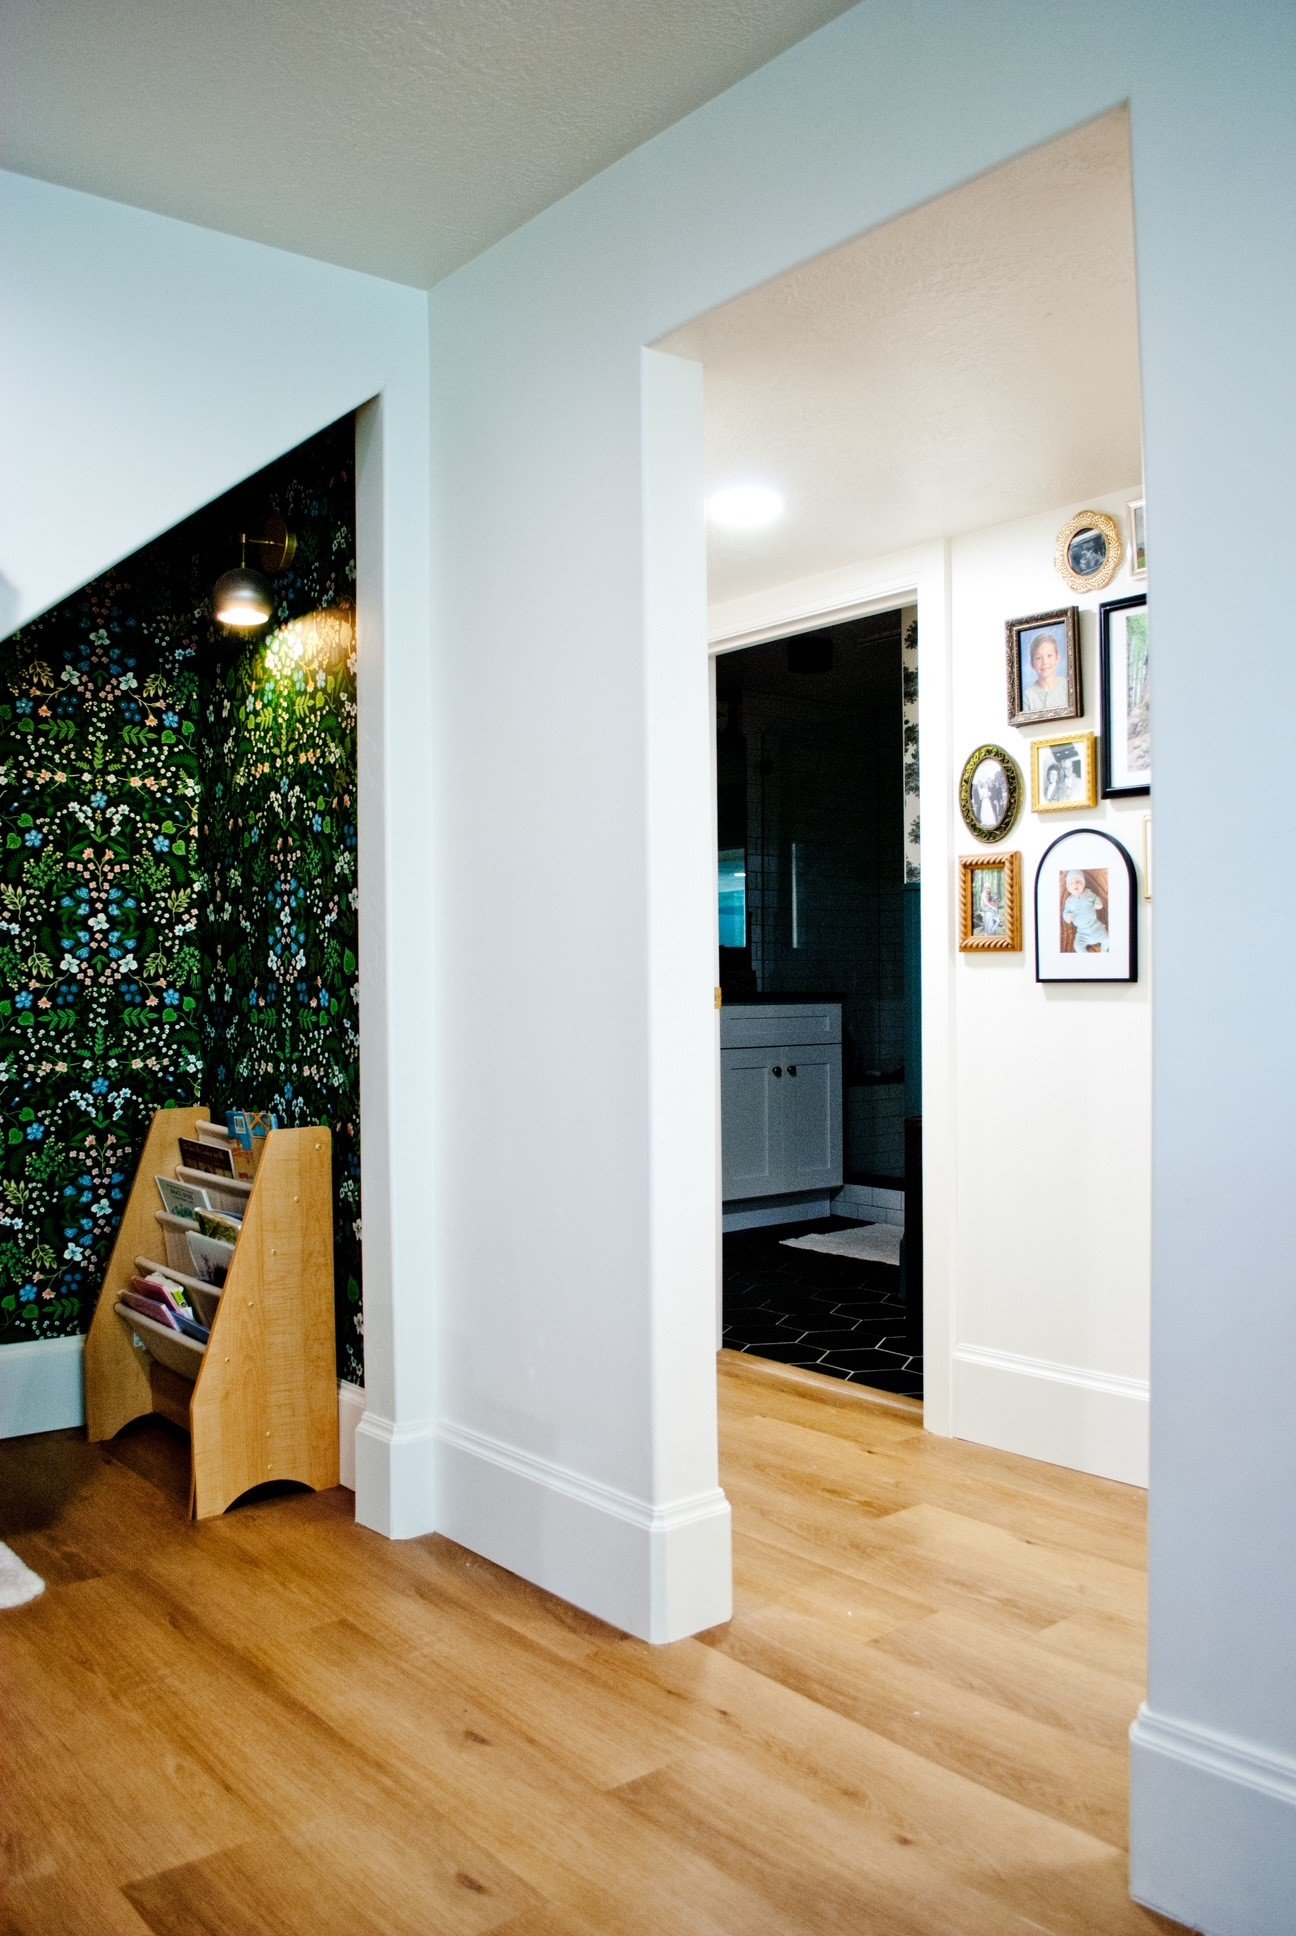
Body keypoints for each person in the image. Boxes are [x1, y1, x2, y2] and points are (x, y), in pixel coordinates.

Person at [1061, 870, 1108, 952]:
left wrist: (1098, 903)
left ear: (1083, 884)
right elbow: (1065, 912)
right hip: (1082, 932)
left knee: (1107, 940)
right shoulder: (1069, 901)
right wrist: (1067, 917)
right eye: (1071, 883)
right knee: (1077, 946)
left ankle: (1103, 952)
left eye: (1078, 881)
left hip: (1095, 926)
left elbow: (1096, 898)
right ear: (1068, 888)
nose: (1075, 884)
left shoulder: (1088, 893)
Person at [1023, 630, 1066, 713]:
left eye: (1049, 656)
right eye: (1039, 658)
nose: (1045, 662)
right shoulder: (1028, 696)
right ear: (1032, 663)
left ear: (1057, 658)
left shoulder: (1068, 688)